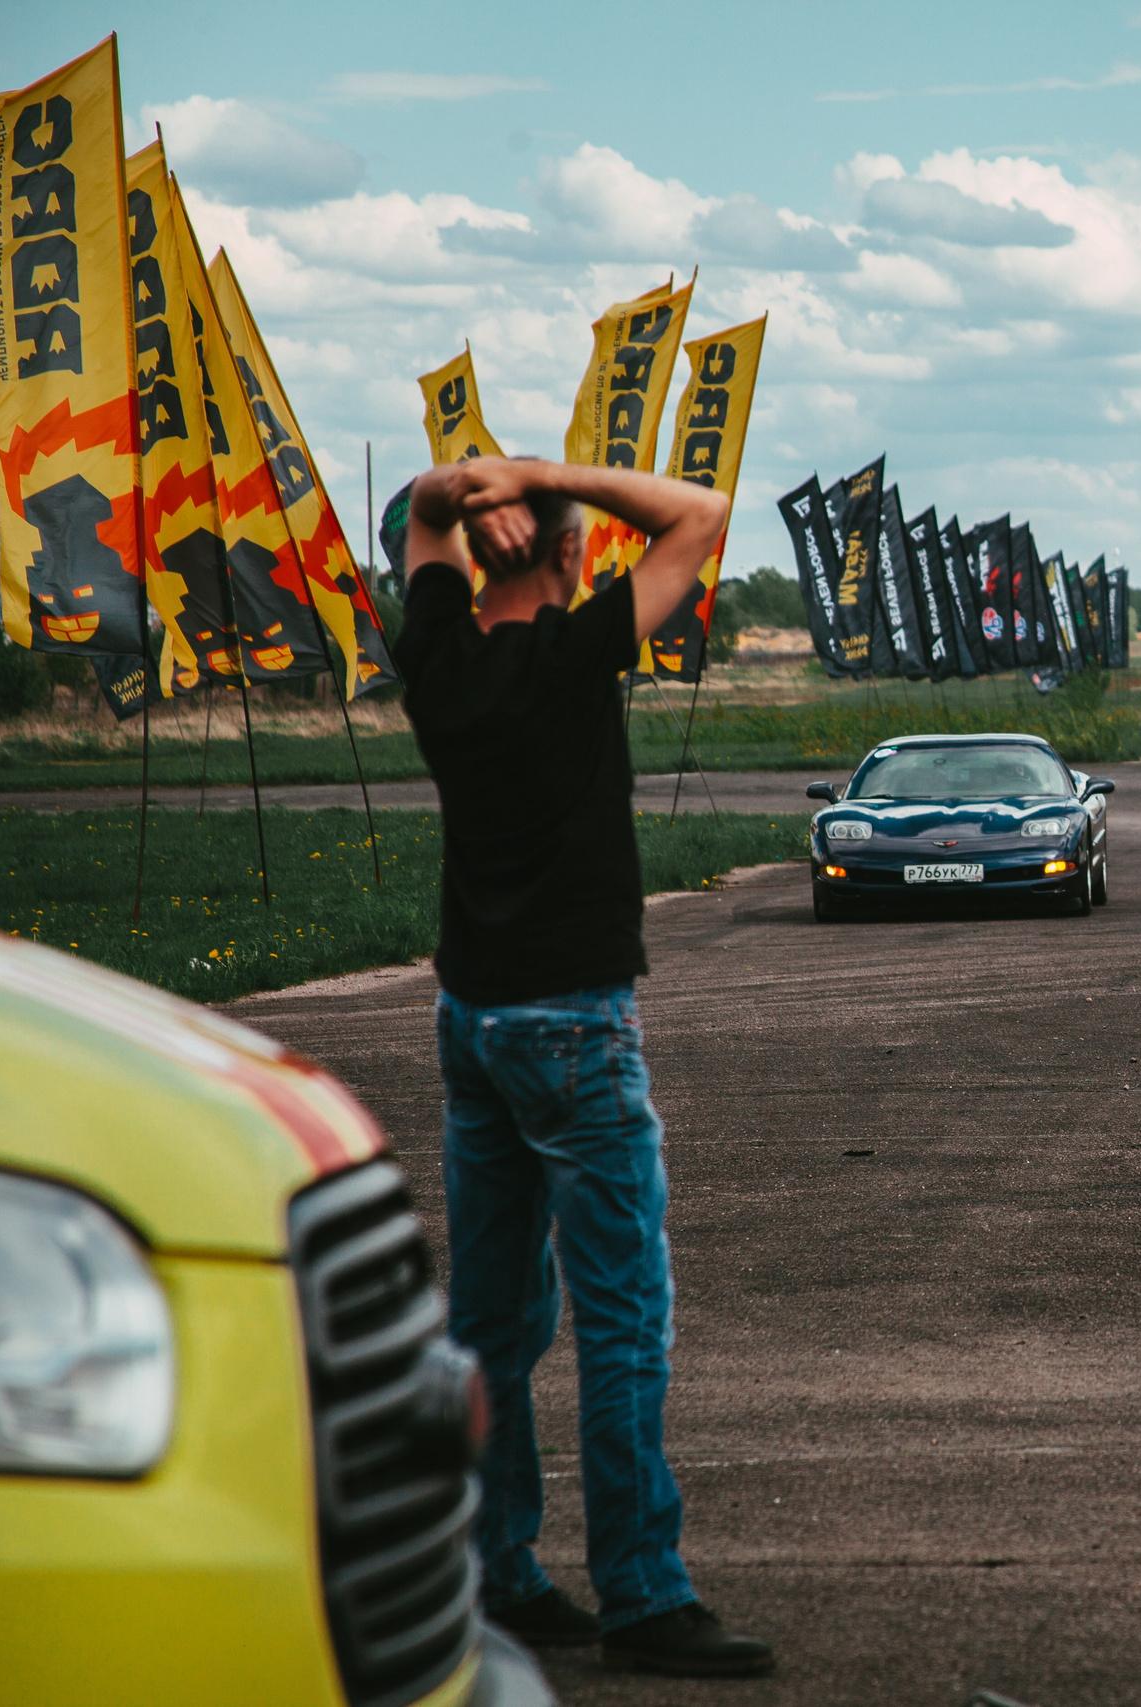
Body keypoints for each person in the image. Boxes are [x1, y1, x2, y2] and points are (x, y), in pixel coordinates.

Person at [395, 456, 775, 1678]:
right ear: (567, 556)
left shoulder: (440, 662)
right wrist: (541, 475)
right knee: (621, 1316)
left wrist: (460, 491)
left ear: (475, 556)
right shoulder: (576, 655)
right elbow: (700, 513)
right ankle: (644, 1593)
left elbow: (417, 512)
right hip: (571, 1022)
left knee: (493, 1320)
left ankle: (495, 1571)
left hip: (474, 1022)